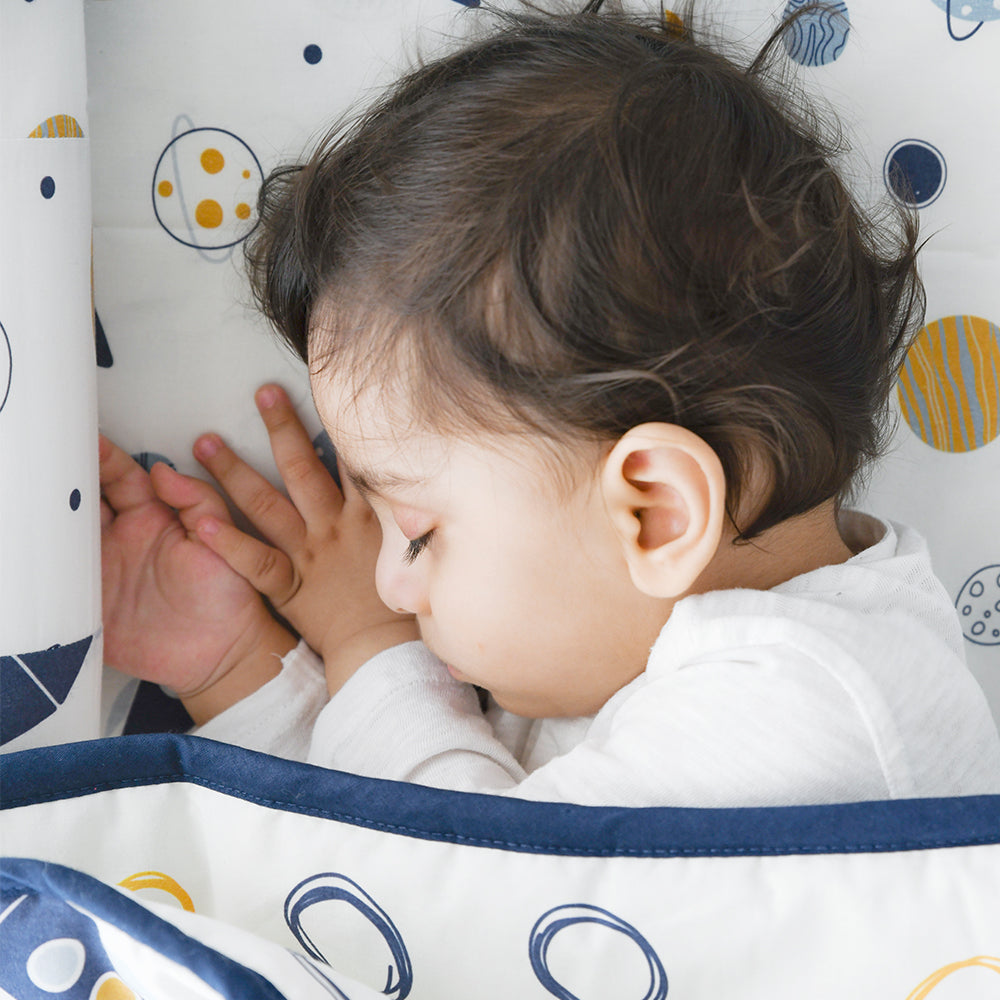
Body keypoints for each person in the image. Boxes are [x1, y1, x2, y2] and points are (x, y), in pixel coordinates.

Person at [99, 4, 1000, 806]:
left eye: (416, 533)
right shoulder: (623, 641)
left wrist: (364, 643)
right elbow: (377, 854)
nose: (388, 585)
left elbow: (451, 886)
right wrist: (237, 673)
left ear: (655, 511)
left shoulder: (802, 708)